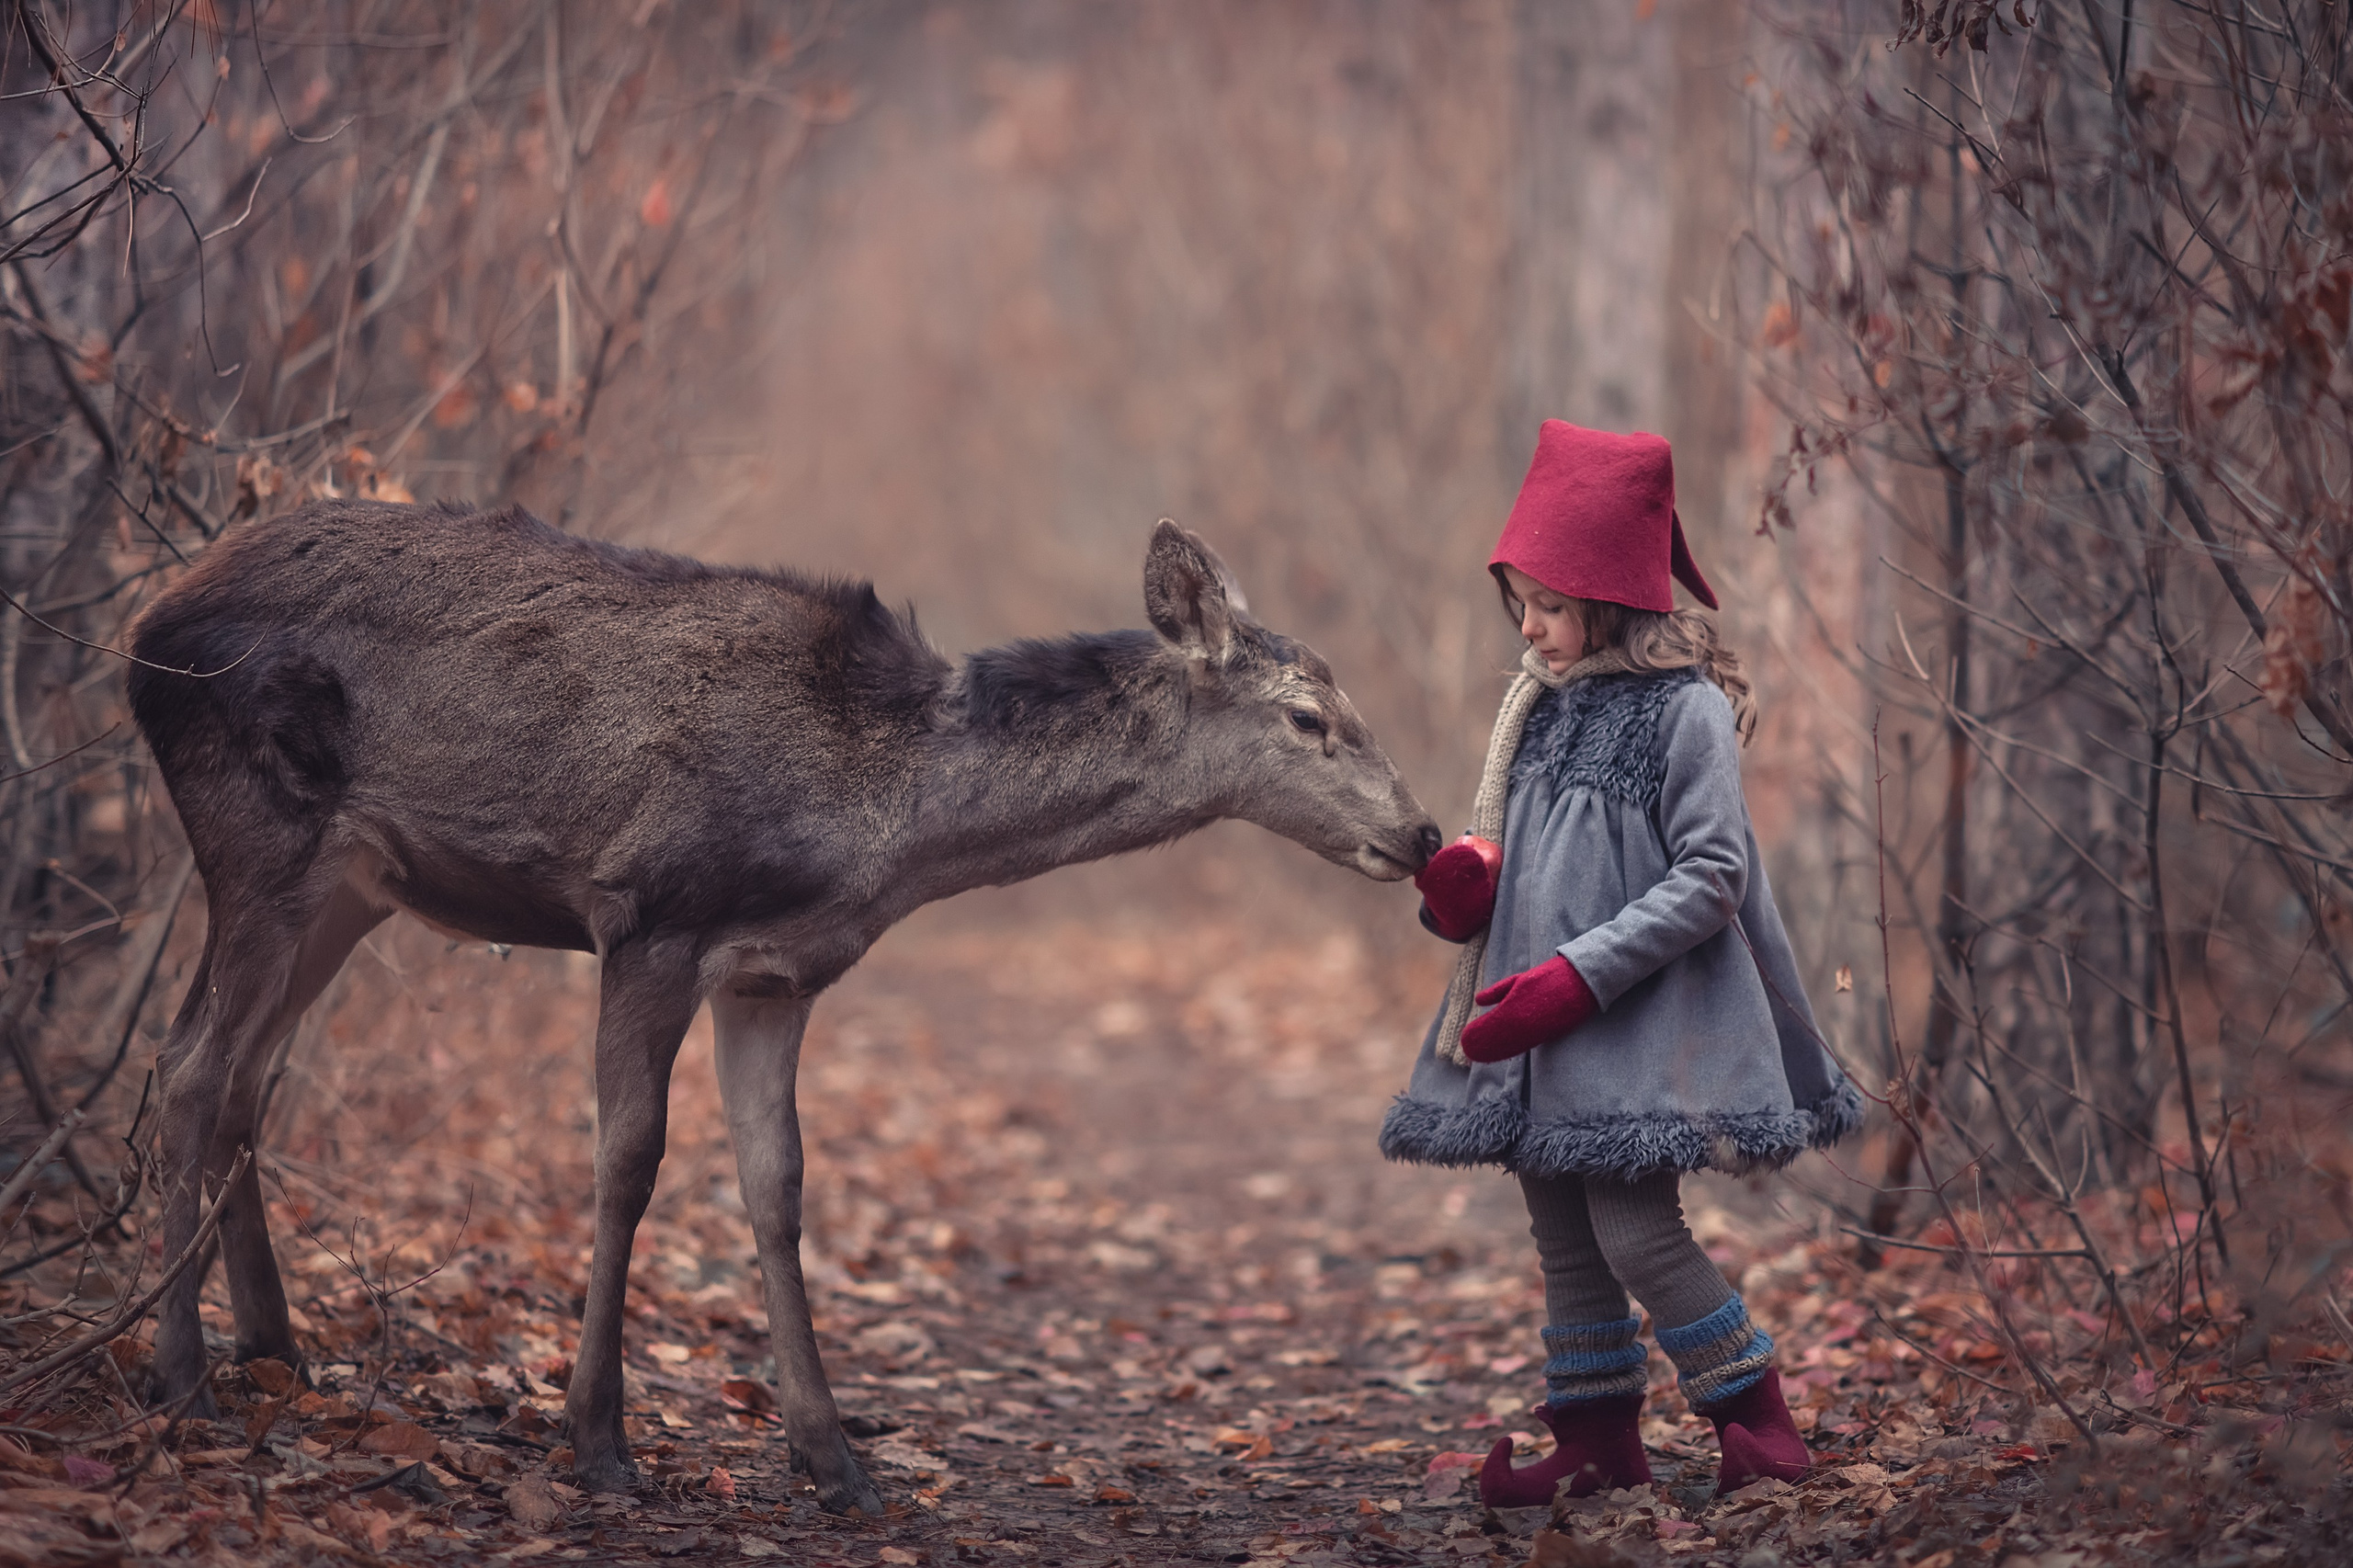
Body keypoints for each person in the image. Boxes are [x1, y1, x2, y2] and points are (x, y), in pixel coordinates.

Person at [1381, 420, 1863, 1506]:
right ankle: (1598, 1439)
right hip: (1537, 1035)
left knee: (1638, 1230)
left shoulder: (1681, 709)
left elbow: (1709, 878)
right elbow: (1545, 858)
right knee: (1564, 1239)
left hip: (1630, 1027)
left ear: (1608, 594)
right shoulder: (1545, 708)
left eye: (1548, 605)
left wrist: (1573, 978)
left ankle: (1756, 1413)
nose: (1530, 626)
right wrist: (1470, 891)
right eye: (1521, 603)